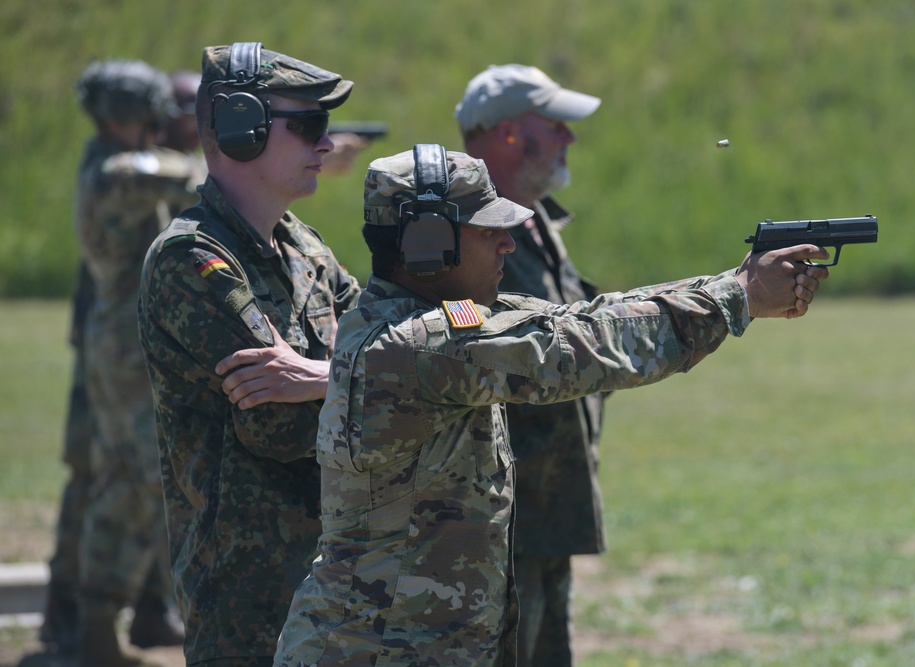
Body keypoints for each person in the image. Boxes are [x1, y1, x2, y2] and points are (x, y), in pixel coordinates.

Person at [273, 145, 831, 666]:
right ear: (428, 242)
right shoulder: (423, 345)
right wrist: (739, 297)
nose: (507, 243)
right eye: (487, 230)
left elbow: (584, 318)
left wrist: (731, 282)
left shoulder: (418, 320)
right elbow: (584, 349)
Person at [137, 42, 361, 667]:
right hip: (249, 599)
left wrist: (322, 375)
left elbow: (394, 334)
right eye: (311, 125)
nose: (326, 144)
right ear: (244, 128)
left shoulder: (304, 246)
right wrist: (360, 372)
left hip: (335, 574)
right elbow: (278, 420)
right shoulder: (191, 259)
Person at [37, 65, 205, 662]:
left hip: (121, 337)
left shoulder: (111, 162)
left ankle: (100, 622)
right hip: (128, 343)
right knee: (150, 481)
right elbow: (181, 175)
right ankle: (115, 618)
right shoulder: (119, 169)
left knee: (126, 481)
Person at [455, 63, 603, 666]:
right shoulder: (462, 232)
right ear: (512, 134)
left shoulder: (533, 220)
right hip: (498, 518)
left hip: (545, 506)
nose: (570, 138)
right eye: (557, 124)